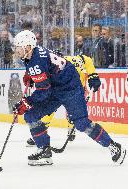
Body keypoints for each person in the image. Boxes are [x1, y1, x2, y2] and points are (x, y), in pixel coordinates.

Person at [12, 30, 126, 166]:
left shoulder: (35, 61)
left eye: (19, 48)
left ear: (28, 46)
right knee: (31, 115)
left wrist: (26, 102)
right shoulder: (33, 54)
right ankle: (44, 151)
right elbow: (47, 66)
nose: (17, 51)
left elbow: (43, 91)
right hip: (55, 88)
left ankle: (114, 147)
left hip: (70, 88)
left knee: (82, 123)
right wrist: (30, 75)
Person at [26, 53, 101, 146]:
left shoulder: (56, 64)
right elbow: (87, 59)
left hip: (73, 89)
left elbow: (87, 60)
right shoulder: (74, 59)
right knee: (59, 112)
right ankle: (48, 132)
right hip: (69, 88)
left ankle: (67, 130)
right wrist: (93, 74)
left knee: (68, 112)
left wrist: (93, 75)